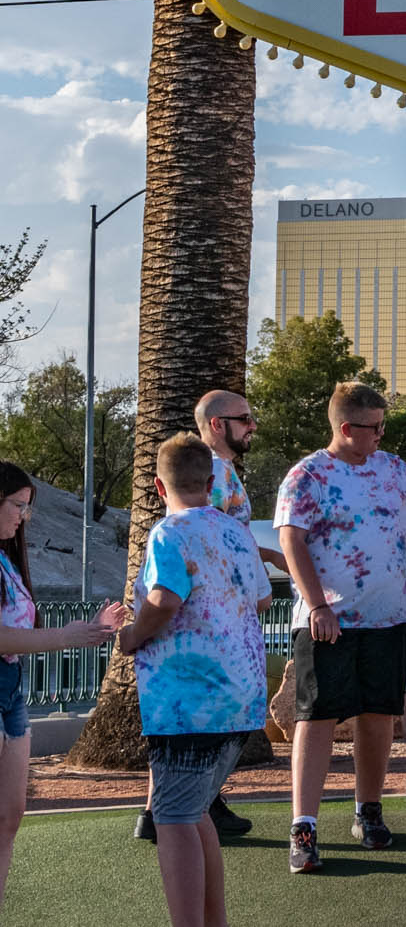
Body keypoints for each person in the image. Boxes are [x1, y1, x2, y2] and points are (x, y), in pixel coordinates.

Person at [275, 381, 406, 875]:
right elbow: (291, 541)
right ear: (346, 428)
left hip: (389, 617)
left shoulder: (390, 468)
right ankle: (303, 828)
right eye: (374, 427)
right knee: (316, 718)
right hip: (328, 621)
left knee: (379, 714)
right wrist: (317, 605)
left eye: (382, 426)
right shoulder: (308, 475)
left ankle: (368, 811)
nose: (382, 435)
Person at [117, 434, 270, 927]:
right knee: (196, 809)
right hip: (241, 694)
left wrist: (130, 636)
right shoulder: (236, 532)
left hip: (189, 701)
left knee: (174, 818)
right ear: (210, 484)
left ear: (159, 488)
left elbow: (165, 598)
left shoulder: (168, 532)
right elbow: (263, 597)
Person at [134, 386, 287, 845]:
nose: (252, 425)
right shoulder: (214, 473)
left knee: (183, 754)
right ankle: (174, 811)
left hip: (202, 638)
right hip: (207, 640)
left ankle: (165, 811)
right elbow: (209, 545)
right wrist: (265, 560)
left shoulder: (220, 473)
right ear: (217, 425)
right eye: (244, 418)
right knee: (189, 762)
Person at [0, 462, 124, 911]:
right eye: (18, 506)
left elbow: (21, 632)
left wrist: (88, 630)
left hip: (12, 691)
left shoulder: (7, 559)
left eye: (27, 508)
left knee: (9, 817)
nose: (23, 517)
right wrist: (65, 637)